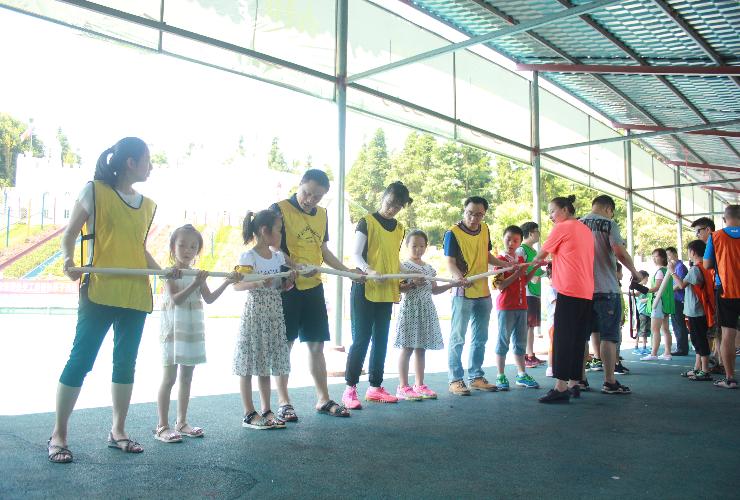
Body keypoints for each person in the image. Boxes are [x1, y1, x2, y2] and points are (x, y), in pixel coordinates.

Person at [48, 138, 172, 463]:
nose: (151, 166)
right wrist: (68, 260)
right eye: (147, 160)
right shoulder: (94, 191)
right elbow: (69, 234)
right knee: (81, 360)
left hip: (135, 294)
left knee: (125, 363)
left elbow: (137, 249)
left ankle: (118, 431)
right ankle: (59, 434)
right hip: (99, 291)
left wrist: (164, 272)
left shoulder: (147, 204)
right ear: (131, 162)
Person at [269, 169, 355, 420]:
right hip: (287, 286)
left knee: (317, 344)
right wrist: (294, 266)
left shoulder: (322, 215)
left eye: (317, 197)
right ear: (300, 184)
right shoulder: (279, 209)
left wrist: (347, 271)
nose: (310, 200)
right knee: (285, 345)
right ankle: (284, 402)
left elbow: (323, 250)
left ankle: (323, 399)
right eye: (307, 193)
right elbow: (273, 247)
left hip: (314, 287)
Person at [155, 225, 240, 443]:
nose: (187, 250)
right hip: (173, 331)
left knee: (187, 377)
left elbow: (209, 298)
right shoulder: (170, 272)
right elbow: (176, 299)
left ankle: (182, 422)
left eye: (193, 247)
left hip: (191, 331)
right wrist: (195, 283)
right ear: (173, 247)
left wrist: (227, 281)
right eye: (182, 245)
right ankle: (162, 426)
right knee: (169, 378)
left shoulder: (197, 274)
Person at [343, 181, 412, 407]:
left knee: (381, 340)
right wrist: (369, 270)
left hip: (386, 291)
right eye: (390, 203)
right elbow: (356, 255)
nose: (392, 209)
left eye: (398, 206)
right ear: (383, 197)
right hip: (364, 288)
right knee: (361, 339)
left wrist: (409, 275)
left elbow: (393, 260)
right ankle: (350, 389)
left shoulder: (400, 229)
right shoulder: (367, 222)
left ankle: (375, 387)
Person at [233, 210, 295, 429]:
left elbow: (281, 285)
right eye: (278, 230)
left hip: (274, 314)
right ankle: (249, 412)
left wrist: (288, 282)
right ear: (264, 230)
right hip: (255, 314)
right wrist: (258, 282)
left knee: (265, 363)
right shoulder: (248, 257)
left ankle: (267, 410)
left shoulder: (278, 257)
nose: (281, 234)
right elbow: (237, 284)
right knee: (248, 363)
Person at [532, 195, 594, 404]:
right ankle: (574, 383)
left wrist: (526, 266)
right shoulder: (585, 229)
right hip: (586, 291)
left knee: (562, 339)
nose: (550, 216)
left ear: (565, 210)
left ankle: (560, 387)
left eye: (552, 211)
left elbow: (540, 255)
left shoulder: (562, 227)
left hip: (569, 289)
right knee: (577, 339)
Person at [444, 197, 510, 395]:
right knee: (458, 338)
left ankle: (476, 377)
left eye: (479, 215)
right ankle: (455, 380)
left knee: (480, 338)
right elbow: (450, 263)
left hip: (483, 292)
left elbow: (486, 256)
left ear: (484, 214)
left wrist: (505, 264)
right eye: (470, 213)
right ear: (464, 210)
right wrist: (459, 277)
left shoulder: (485, 229)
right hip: (462, 292)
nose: (474, 218)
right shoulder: (452, 233)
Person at [580, 195, 640, 394]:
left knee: (582, 337)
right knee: (609, 336)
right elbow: (619, 252)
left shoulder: (577, 224)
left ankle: (579, 379)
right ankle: (609, 381)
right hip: (606, 288)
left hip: (581, 290)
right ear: (608, 209)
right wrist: (635, 272)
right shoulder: (609, 224)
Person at [394, 230, 461, 400]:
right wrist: (413, 284)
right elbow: (399, 289)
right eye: (414, 246)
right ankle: (403, 386)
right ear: (407, 246)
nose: (418, 249)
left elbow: (435, 290)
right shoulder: (403, 267)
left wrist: (453, 284)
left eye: (421, 246)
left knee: (421, 348)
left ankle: (419, 384)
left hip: (426, 310)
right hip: (410, 310)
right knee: (407, 348)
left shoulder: (429, 268)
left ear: (426, 247)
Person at [493, 225, 540, 390]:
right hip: (506, 307)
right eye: (508, 239)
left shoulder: (520, 260)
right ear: (503, 239)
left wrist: (534, 267)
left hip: (522, 306)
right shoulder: (499, 260)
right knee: (503, 341)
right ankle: (500, 375)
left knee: (520, 342)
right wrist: (517, 274)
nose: (511, 243)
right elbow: (500, 285)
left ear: (520, 242)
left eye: (515, 240)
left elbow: (524, 281)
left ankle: (521, 374)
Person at [703, 205, 740, 389]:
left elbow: (707, 264)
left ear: (724, 219)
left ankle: (730, 378)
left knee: (727, 335)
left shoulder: (715, 237)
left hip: (726, 291)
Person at [671, 240, 713, 381]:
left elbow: (681, 285)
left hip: (696, 310)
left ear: (693, 252)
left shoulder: (696, 269)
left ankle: (705, 370)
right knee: (697, 339)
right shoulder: (704, 267)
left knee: (700, 340)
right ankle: (698, 367)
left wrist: (672, 272)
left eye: (689, 251)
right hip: (699, 309)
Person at [517, 221, 546, 368]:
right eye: (537, 231)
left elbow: (538, 271)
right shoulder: (521, 250)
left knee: (531, 326)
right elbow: (519, 269)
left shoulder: (534, 251)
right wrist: (530, 276)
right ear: (530, 233)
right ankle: (524, 356)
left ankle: (530, 354)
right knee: (527, 326)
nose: (539, 234)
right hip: (527, 292)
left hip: (535, 292)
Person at [641, 249, 675, 361]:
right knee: (665, 329)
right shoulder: (667, 270)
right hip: (666, 303)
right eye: (653, 256)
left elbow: (657, 288)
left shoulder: (660, 271)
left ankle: (654, 353)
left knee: (655, 329)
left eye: (656, 256)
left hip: (658, 302)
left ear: (663, 257)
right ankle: (667, 353)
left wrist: (643, 289)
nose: (654, 258)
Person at [666, 246, 690, 356]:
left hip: (679, 299)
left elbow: (680, 284)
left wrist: (668, 291)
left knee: (679, 324)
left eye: (669, 255)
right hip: (675, 299)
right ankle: (681, 347)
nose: (668, 257)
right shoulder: (675, 267)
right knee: (677, 324)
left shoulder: (680, 267)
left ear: (675, 254)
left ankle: (682, 348)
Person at [614, 263, 630, 375]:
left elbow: (621, 303)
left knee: (618, 341)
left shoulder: (617, 285)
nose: (622, 274)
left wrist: (622, 315)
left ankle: (617, 362)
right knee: (615, 341)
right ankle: (614, 364)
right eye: (620, 272)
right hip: (615, 317)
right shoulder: (612, 286)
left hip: (619, 316)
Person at [631, 271, 651, 355]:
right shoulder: (640, 288)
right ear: (643, 278)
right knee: (643, 331)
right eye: (646, 278)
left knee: (640, 330)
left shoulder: (639, 287)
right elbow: (639, 299)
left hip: (642, 312)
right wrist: (650, 299)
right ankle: (643, 347)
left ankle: (637, 347)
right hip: (643, 312)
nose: (647, 280)